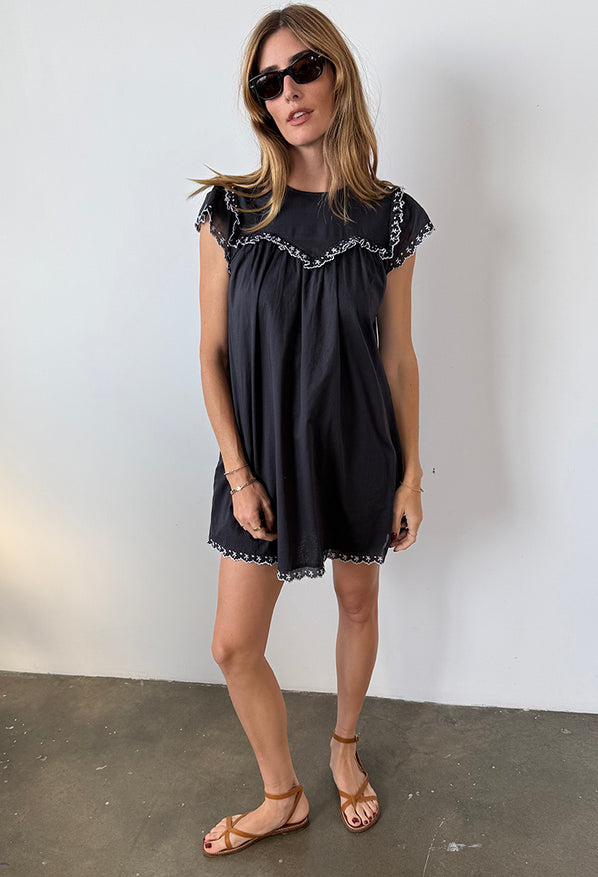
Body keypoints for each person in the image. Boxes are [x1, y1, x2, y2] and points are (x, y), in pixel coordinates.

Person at [188, 2, 435, 857]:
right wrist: (240, 473)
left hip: (358, 446)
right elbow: (213, 355)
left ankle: (342, 746)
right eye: (268, 82)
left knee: (357, 600)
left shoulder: (391, 218)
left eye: (302, 71)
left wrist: (409, 475)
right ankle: (280, 792)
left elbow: (397, 359)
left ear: (336, 74)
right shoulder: (230, 212)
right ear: (258, 101)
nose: (286, 92)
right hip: (257, 457)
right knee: (232, 643)